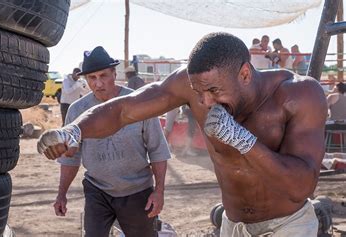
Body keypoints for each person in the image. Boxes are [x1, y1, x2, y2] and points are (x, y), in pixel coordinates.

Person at [38, 32, 327, 236]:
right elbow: (124, 110)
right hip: (233, 225)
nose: (205, 103)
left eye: (214, 91)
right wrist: (76, 130)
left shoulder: (299, 94)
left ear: (245, 75)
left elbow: (300, 187)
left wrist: (244, 142)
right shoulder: (193, 85)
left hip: (288, 226)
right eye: (199, 92)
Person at [51, 46, 170, 237]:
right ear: (85, 80)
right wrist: (61, 194)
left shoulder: (140, 104)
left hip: (137, 192)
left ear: (115, 73)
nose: (98, 83)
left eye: (103, 75)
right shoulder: (77, 110)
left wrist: (159, 191)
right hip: (97, 190)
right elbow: (71, 158)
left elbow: (157, 150)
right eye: (92, 78)